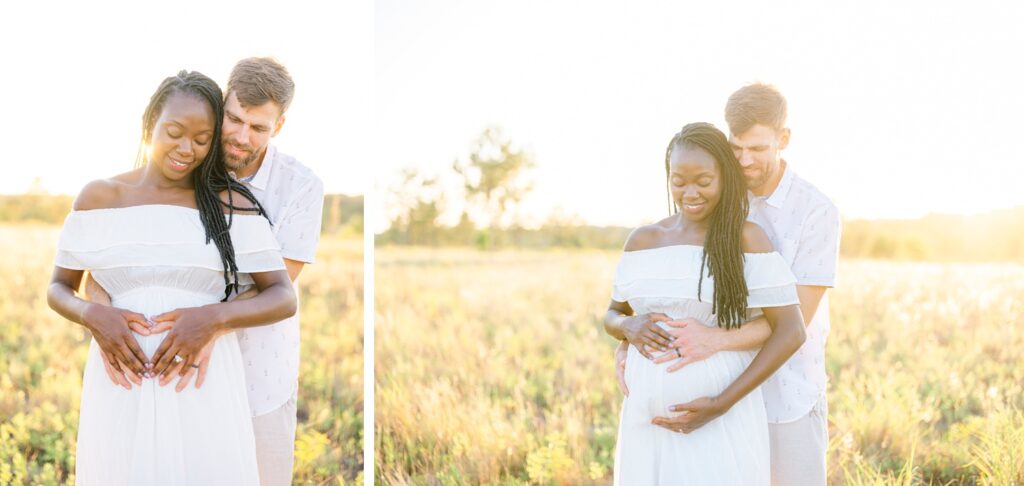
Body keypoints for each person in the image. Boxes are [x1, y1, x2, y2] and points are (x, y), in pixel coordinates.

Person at [46, 70, 297, 485]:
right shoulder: (99, 197)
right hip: (121, 382)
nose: (187, 150)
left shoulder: (229, 205)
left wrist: (213, 319)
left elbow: (283, 297)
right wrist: (93, 315)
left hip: (202, 384)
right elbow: (58, 287)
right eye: (175, 133)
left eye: (202, 140)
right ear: (150, 125)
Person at [622, 84, 841, 485]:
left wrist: (715, 339)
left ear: (784, 139)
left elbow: (797, 322)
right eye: (737, 147)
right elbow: (672, 278)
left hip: (786, 392)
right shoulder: (718, 192)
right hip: (721, 386)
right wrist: (629, 338)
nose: (745, 160)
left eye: (757, 149)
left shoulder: (816, 212)